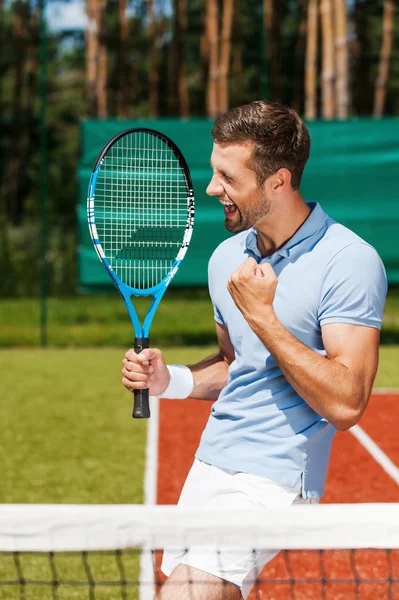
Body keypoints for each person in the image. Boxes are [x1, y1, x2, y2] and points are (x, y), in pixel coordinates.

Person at [121, 100, 387, 600]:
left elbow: (347, 402)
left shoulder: (349, 261)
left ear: (278, 181)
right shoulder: (226, 257)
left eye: (227, 176)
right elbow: (237, 364)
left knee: (187, 593)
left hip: (276, 476)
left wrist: (264, 317)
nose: (211, 188)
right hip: (212, 461)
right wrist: (169, 380)